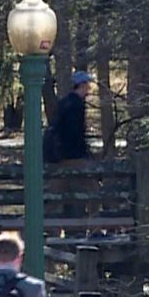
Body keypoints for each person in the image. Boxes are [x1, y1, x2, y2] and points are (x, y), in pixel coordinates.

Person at [45, 71, 95, 219]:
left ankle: (45, 226)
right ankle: (95, 228)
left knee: (55, 195)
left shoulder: (64, 102)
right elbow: (76, 133)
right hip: (75, 157)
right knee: (95, 192)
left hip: (61, 157)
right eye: (87, 85)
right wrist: (84, 152)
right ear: (82, 85)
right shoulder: (77, 105)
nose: (89, 88)